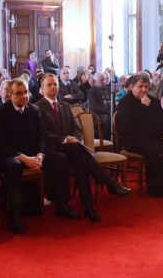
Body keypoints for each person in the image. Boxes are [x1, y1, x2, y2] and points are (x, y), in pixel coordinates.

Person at [35, 74, 131, 222]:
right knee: (78, 152)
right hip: (52, 148)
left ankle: (88, 207)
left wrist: (75, 138)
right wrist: (66, 139)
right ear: (42, 88)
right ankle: (108, 182)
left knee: (80, 163)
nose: (53, 87)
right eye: (49, 85)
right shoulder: (38, 107)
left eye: (55, 84)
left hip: (70, 147)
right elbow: (44, 133)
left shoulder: (65, 106)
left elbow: (76, 128)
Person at [0, 78, 77, 234]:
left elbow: (41, 137)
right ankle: (15, 214)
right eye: (19, 93)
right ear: (10, 95)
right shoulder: (0, 111)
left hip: (32, 154)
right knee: (14, 166)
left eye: (26, 92)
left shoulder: (34, 110)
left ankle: (62, 204)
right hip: (8, 156)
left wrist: (40, 155)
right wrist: (23, 158)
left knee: (60, 159)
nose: (24, 96)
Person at [87, 72, 111, 140]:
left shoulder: (109, 89)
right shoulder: (92, 91)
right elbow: (94, 107)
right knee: (108, 119)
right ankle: (107, 140)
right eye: (101, 80)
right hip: (99, 114)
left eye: (104, 79)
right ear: (95, 81)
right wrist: (108, 111)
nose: (104, 81)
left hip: (110, 111)